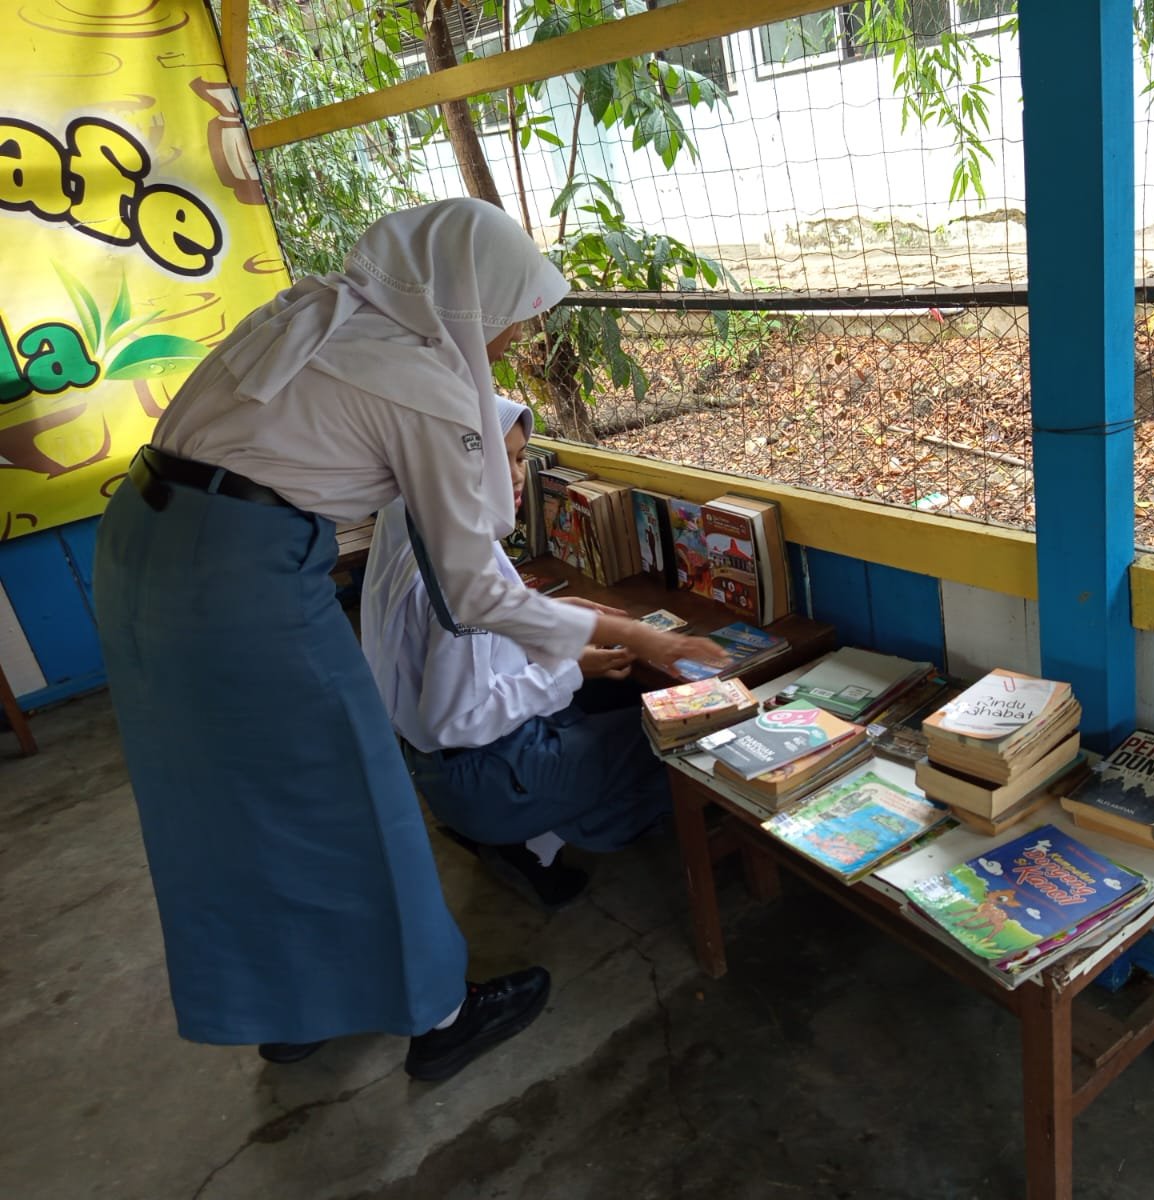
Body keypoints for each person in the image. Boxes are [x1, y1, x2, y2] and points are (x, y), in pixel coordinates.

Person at [92, 199, 727, 1079]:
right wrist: (633, 637)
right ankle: (441, 1014)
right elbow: (472, 594)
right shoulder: (421, 384)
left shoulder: (310, 313)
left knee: (226, 805)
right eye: (511, 316)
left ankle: (292, 1009)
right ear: (466, 299)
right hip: (239, 579)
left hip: (141, 551)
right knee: (357, 793)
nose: (512, 340)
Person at [361, 395, 673, 910]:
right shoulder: (459, 577)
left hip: (436, 771)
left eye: (522, 456)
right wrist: (568, 670)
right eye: (499, 459)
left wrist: (537, 612)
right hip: (486, 772)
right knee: (665, 744)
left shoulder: (415, 527)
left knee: (603, 716)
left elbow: (458, 642)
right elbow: (456, 719)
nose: (517, 474)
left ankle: (531, 830)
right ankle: (540, 837)